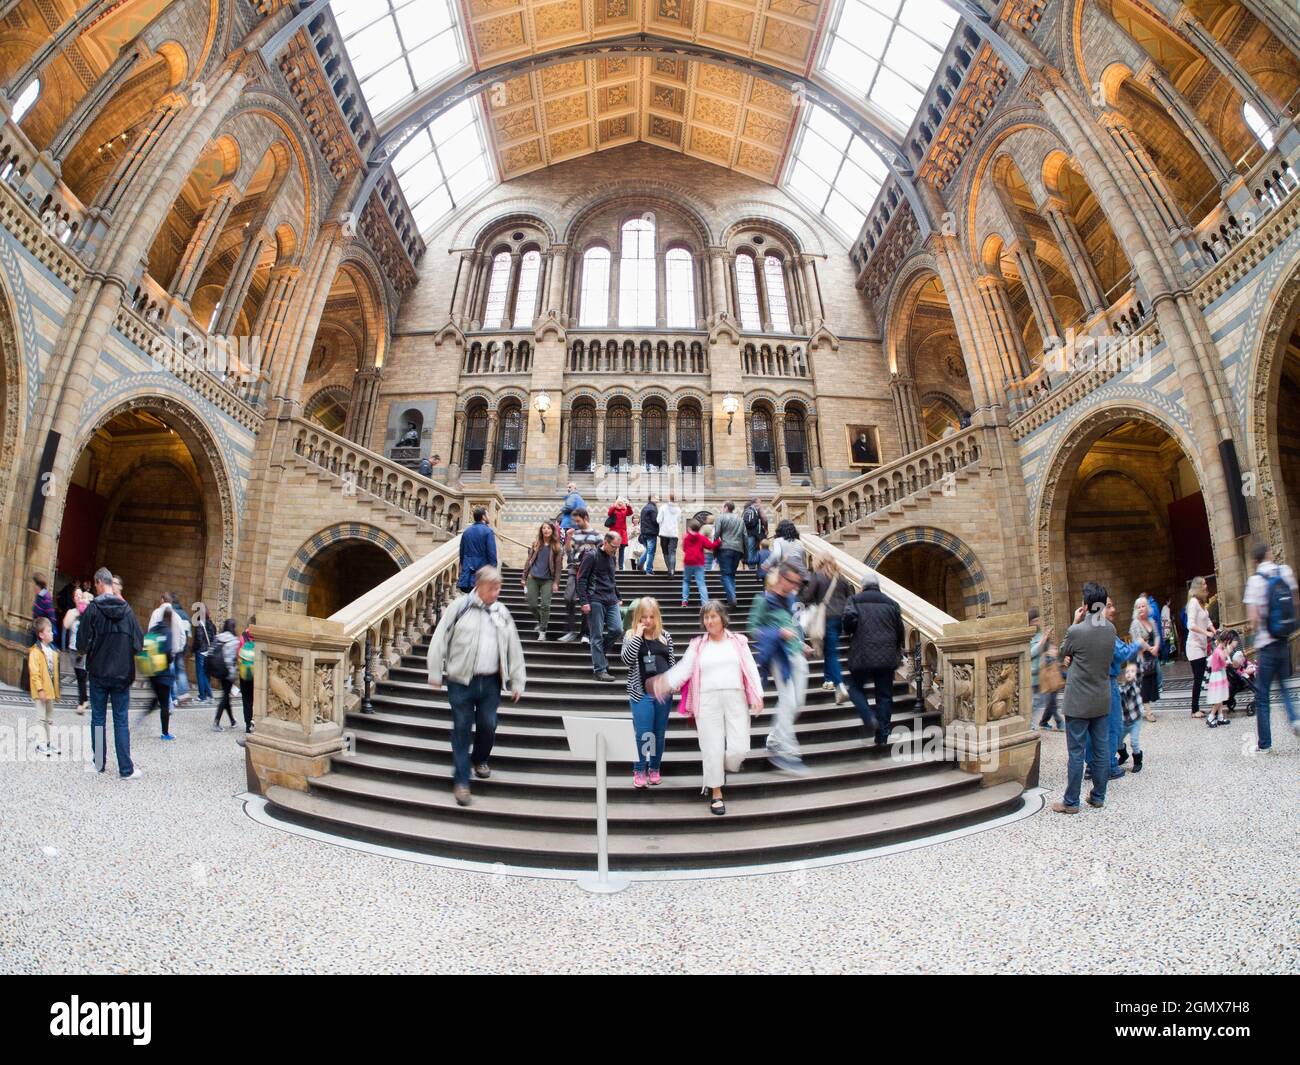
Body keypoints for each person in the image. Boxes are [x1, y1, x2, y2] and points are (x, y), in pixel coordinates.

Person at [651, 602, 764, 816]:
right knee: (712, 748)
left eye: (713, 616)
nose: (709, 621)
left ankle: (719, 769)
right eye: (706, 617)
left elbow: (750, 666)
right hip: (707, 700)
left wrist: (758, 694)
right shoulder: (698, 645)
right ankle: (716, 792)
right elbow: (684, 668)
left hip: (736, 696)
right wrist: (664, 683)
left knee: (739, 748)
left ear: (722, 618)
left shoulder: (738, 642)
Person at [427, 566, 526, 806]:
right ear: (479, 586)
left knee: (488, 724)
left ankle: (480, 758)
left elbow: (513, 645)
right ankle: (461, 781)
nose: (496, 592)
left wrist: (518, 679)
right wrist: (434, 671)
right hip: (460, 680)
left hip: (490, 681)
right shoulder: (459, 608)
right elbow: (440, 638)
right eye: (492, 588)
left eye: (498, 588)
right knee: (461, 727)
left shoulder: (502, 612)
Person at [1051, 581, 1115, 814]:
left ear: (1086, 605)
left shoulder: (1077, 631)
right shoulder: (1110, 629)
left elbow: (1062, 652)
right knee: (1101, 749)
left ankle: (1071, 802)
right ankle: (1098, 796)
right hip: (1101, 698)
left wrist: (1075, 621)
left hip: (1078, 701)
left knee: (1076, 752)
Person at [80, 566, 144, 779]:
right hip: (121, 674)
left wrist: (94, 650)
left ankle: (99, 764)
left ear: (99, 582)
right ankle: (126, 769)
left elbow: (81, 643)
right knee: (121, 720)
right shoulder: (127, 610)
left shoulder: (93, 609)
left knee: (98, 718)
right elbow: (138, 644)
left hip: (98, 672)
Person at [749, 563, 811, 775]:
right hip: (778, 656)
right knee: (789, 700)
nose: (795, 586)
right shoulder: (763, 600)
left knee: (798, 703)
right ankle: (786, 749)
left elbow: (794, 624)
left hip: (796, 654)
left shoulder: (792, 600)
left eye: (797, 582)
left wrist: (802, 644)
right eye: (792, 581)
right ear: (782, 579)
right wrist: (778, 633)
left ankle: (774, 740)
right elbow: (753, 628)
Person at [1242, 541, 1299, 752]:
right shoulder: (1284, 571)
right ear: (1268, 553)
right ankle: (1294, 719)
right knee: (1284, 686)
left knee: (1263, 694)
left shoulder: (1255, 581)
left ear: (1254, 560)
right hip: (1284, 640)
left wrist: (1258, 627)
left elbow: (1253, 619)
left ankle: (1265, 743)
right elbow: (1295, 601)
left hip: (1266, 644)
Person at [840, 572, 903, 747]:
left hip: (862, 654)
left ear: (863, 586)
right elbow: (900, 631)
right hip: (886, 656)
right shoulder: (892, 603)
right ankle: (882, 735)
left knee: (854, 687)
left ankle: (868, 717)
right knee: (884, 696)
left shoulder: (854, 600)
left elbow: (848, 622)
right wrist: (896, 649)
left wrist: (850, 629)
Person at [620, 597, 675, 788]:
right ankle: (639, 769)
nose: (648, 621)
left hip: (663, 695)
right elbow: (626, 660)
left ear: (657, 617)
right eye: (644, 617)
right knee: (644, 734)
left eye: (652, 617)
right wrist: (638, 636)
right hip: (640, 693)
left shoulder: (665, 636)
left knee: (658, 734)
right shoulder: (630, 635)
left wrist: (672, 682)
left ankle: (654, 768)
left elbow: (672, 664)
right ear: (638, 617)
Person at [802, 553, 851, 703]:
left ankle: (839, 684)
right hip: (840, 618)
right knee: (830, 648)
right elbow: (848, 597)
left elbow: (808, 597)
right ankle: (828, 679)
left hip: (825, 617)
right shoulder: (842, 578)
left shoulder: (817, 575)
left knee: (831, 651)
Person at [577, 530, 623, 682]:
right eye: (613, 547)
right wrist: (584, 601)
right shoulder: (592, 556)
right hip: (595, 599)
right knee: (596, 635)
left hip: (611, 599)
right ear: (605, 541)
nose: (615, 550)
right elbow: (581, 579)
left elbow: (612, 578)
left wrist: (618, 596)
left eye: (617, 547)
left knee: (617, 629)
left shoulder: (612, 557)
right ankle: (600, 670)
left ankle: (600, 657)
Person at [558, 507, 602, 643]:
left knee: (586, 602)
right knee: (568, 597)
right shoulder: (575, 533)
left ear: (586, 518)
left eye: (578, 521)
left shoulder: (596, 535)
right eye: (574, 521)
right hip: (574, 570)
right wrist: (568, 538)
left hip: (589, 574)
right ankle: (571, 631)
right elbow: (568, 552)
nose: (576, 523)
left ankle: (585, 633)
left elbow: (601, 555)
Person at [522, 521, 563, 641]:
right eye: (544, 528)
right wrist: (524, 577)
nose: (546, 530)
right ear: (541, 530)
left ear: (552, 530)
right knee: (532, 604)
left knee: (545, 605)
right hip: (533, 578)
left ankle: (543, 630)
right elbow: (528, 561)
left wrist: (556, 582)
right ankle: (541, 621)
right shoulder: (536, 544)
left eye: (549, 528)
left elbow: (559, 567)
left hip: (547, 580)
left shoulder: (556, 547)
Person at [142, 607, 176, 740]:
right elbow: (168, 651)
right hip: (163, 672)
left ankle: (144, 714)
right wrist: (170, 659)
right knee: (165, 704)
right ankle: (165, 733)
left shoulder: (154, 630)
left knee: (158, 697)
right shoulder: (168, 631)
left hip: (151, 670)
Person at [28, 617, 59, 756]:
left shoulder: (53, 652)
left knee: (50, 718)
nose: (52, 633)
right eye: (49, 631)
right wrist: (40, 689)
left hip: (50, 691)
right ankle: (40, 743)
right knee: (41, 718)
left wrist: (55, 691)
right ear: (41, 634)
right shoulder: (35, 652)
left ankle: (50, 742)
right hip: (41, 691)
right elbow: (34, 673)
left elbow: (54, 675)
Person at [1185, 576, 1214, 719]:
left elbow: (1207, 620)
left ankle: (1196, 707)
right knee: (1198, 677)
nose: (1206, 585)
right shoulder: (1193, 603)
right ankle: (1194, 710)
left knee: (1201, 676)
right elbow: (1190, 625)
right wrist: (1206, 633)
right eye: (1203, 583)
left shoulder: (1201, 603)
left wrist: (1214, 631)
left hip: (1202, 645)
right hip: (1194, 646)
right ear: (1197, 586)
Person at [1028, 608, 1062, 730]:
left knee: (1044, 700)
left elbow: (1047, 648)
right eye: (1034, 620)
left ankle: (1043, 722)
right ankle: (1032, 725)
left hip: (1043, 673)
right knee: (1037, 701)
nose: (1037, 622)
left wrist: (1052, 650)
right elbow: (1029, 653)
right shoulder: (1028, 636)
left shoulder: (1040, 634)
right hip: (1032, 675)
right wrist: (1042, 642)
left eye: (1038, 619)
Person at [1129, 597, 1160, 724]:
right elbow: (1138, 640)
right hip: (1141, 657)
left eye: (1143, 606)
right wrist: (1149, 648)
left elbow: (1157, 635)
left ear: (1147, 607)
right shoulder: (1135, 623)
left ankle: (1136, 707)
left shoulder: (1151, 620)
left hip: (1151, 656)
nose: (1141, 608)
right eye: (1139, 607)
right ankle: (1148, 712)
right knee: (1144, 684)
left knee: (1151, 681)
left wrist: (1156, 647)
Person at [457, 506, 498, 592]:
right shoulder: (488, 531)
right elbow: (492, 554)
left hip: (468, 575)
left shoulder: (466, 532)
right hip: (482, 574)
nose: (489, 517)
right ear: (483, 517)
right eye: (488, 515)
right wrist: (493, 571)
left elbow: (462, 554)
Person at [713, 501, 746, 607]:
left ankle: (732, 598)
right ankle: (732, 597)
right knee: (731, 574)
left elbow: (716, 534)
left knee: (726, 575)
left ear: (726, 507)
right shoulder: (740, 520)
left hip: (725, 548)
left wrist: (714, 549)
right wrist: (744, 553)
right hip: (738, 549)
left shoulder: (720, 518)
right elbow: (745, 536)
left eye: (723, 507)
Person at [679, 519, 718, 606]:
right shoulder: (701, 537)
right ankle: (705, 603)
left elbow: (684, 549)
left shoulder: (686, 537)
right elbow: (710, 546)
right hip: (699, 562)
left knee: (686, 581)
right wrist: (718, 541)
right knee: (701, 583)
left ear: (689, 528)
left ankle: (684, 601)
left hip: (688, 562)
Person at [62, 588, 89, 713]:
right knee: (79, 675)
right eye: (76, 596)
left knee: (82, 675)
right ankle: (85, 699)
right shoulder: (72, 612)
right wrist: (76, 614)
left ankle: (82, 702)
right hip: (73, 649)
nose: (78, 597)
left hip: (83, 650)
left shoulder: (87, 611)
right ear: (73, 599)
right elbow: (66, 625)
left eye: (80, 595)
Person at [212, 619, 240, 731]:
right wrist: (233, 674)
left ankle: (232, 720)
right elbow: (230, 660)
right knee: (225, 697)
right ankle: (216, 721)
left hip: (218, 670)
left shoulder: (218, 637)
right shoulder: (234, 641)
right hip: (227, 672)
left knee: (226, 695)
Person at [1203, 630, 1233, 729]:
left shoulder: (1218, 649)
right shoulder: (1218, 651)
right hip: (1217, 676)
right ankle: (1211, 717)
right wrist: (1228, 650)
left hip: (1220, 675)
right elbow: (1223, 661)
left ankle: (1220, 717)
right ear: (1226, 641)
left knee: (1220, 698)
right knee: (1218, 699)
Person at [191, 602, 216, 704]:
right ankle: (209, 695)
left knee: (201, 674)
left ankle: (203, 696)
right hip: (208, 652)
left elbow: (199, 640)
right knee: (206, 674)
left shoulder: (200, 624)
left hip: (201, 652)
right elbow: (214, 638)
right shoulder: (211, 624)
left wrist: (194, 649)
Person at [237, 618, 256, 733]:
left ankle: (247, 724)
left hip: (244, 673)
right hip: (257, 673)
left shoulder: (243, 637)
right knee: (257, 699)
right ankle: (255, 722)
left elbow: (238, 654)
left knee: (246, 699)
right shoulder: (260, 638)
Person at [658, 493, 682, 578]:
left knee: (665, 552)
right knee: (672, 553)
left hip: (664, 533)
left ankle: (669, 570)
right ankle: (672, 571)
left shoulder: (663, 507)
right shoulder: (678, 509)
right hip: (674, 534)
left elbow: (658, 519)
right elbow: (679, 520)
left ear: (668, 498)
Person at [31, 572, 59, 645]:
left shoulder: (45, 597)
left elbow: (51, 616)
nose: (33, 586)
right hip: (38, 631)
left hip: (42, 634)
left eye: (33, 584)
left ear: (37, 585)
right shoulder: (40, 596)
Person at [606, 497, 633, 569]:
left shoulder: (624, 510)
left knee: (622, 551)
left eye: (622, 501)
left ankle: (621, 567)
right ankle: (612, 566)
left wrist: (628, 505)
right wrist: (614, 505)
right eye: (619, 501)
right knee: (612, 550)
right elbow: (609, 513)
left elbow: (630, 513)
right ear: (616, 502)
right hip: (614, 532)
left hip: (622, 533)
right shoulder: (613, 509)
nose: (620, 503)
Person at [742, 497, 766, 569]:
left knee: (755, 549)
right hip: (751, 534)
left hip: (755, 534)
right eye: (759, 502)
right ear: (755, 503)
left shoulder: (755, 510)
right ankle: (751, 567)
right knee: (751, 549)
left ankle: (754, 566)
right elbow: (748, 523)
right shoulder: (750, 510)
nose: (760, 504)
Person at [638, 495, 659, 573]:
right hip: (651, 533)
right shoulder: (653, 508)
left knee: (648, 550)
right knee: (651, 552)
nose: (658, 498)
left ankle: (640, 564)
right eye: (657, 497)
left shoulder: (645, 507)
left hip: (644, 533)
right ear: (652, 498)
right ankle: (649, 570)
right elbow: (655, 521)